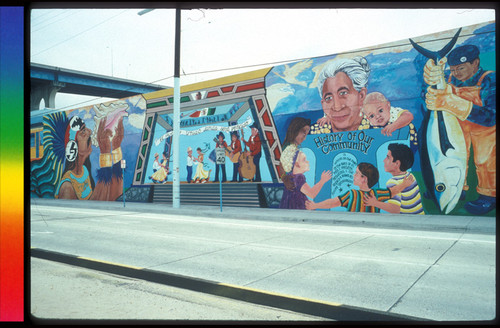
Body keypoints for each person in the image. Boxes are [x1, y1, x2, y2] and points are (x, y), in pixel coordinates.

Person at [424, 44, 496, 214]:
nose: (456, 73)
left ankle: (488, 196)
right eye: (453, 69)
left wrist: (450, 102)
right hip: (458, 127)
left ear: (475, 63)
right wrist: (430, 91)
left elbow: (491, 116)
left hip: (484, 130)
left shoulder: (489, 79)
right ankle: (458, 189)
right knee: (458, 158)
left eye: (461, 68)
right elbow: (435, 95)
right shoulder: (449, 79)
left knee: (485, 161)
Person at [55, 115, 124, 201]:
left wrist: (116, 148)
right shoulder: (67, 188)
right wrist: (105, 153)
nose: (89, 131)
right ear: (73, 148)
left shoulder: (84, 171)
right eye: (83, 131)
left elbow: (109, 198)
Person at [306, 162, 409, 213]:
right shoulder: (377, 193)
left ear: (364, 178)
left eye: (356, 173)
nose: (353, 176)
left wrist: (315, 205)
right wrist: (405, 184)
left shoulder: (352, 194)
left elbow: (333, 202)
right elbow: (393, 191)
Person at [310, 56, 371, 134]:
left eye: (343, 93)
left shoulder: (381, 127)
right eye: (329, 98)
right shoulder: (312, 135)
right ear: (323, 104)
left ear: (361, 95)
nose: (337, 107)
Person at [375, 143, 424, 214]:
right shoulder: (410, 176)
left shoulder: (393, 182)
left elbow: (395, 209)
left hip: (406, 220)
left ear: (397, 163)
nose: (384, 160)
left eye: (388, 157)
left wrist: (375, 203)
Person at [279, 145, 332, 209]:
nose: (308, 161)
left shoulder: (290, 177)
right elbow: (312, 193)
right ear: (296, 164)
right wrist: (322, 181)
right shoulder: (298, 178)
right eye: (304, 160)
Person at [278, 117, 311, 190]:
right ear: (295, 130)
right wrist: (285, 179)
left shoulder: (292, 147)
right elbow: (281, 165)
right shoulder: (290, 148)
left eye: (306, 134)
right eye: (304, 133)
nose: (304, 138)